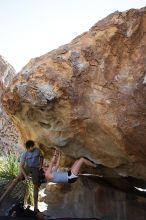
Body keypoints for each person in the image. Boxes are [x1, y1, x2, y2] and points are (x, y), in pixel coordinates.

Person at [0, 140, 44, 213]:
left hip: (35, 168)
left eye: (33, 146)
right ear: (28, 148)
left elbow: (42, 157)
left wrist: (41, 165)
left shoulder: (37, 150)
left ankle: (36, 208)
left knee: (36, 186)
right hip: (27, 168)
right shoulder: (25, 154)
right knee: (16, 180)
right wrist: (25, 176)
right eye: (31, 147)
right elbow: (21, 166)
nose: (33, 147)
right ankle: (1, 199)